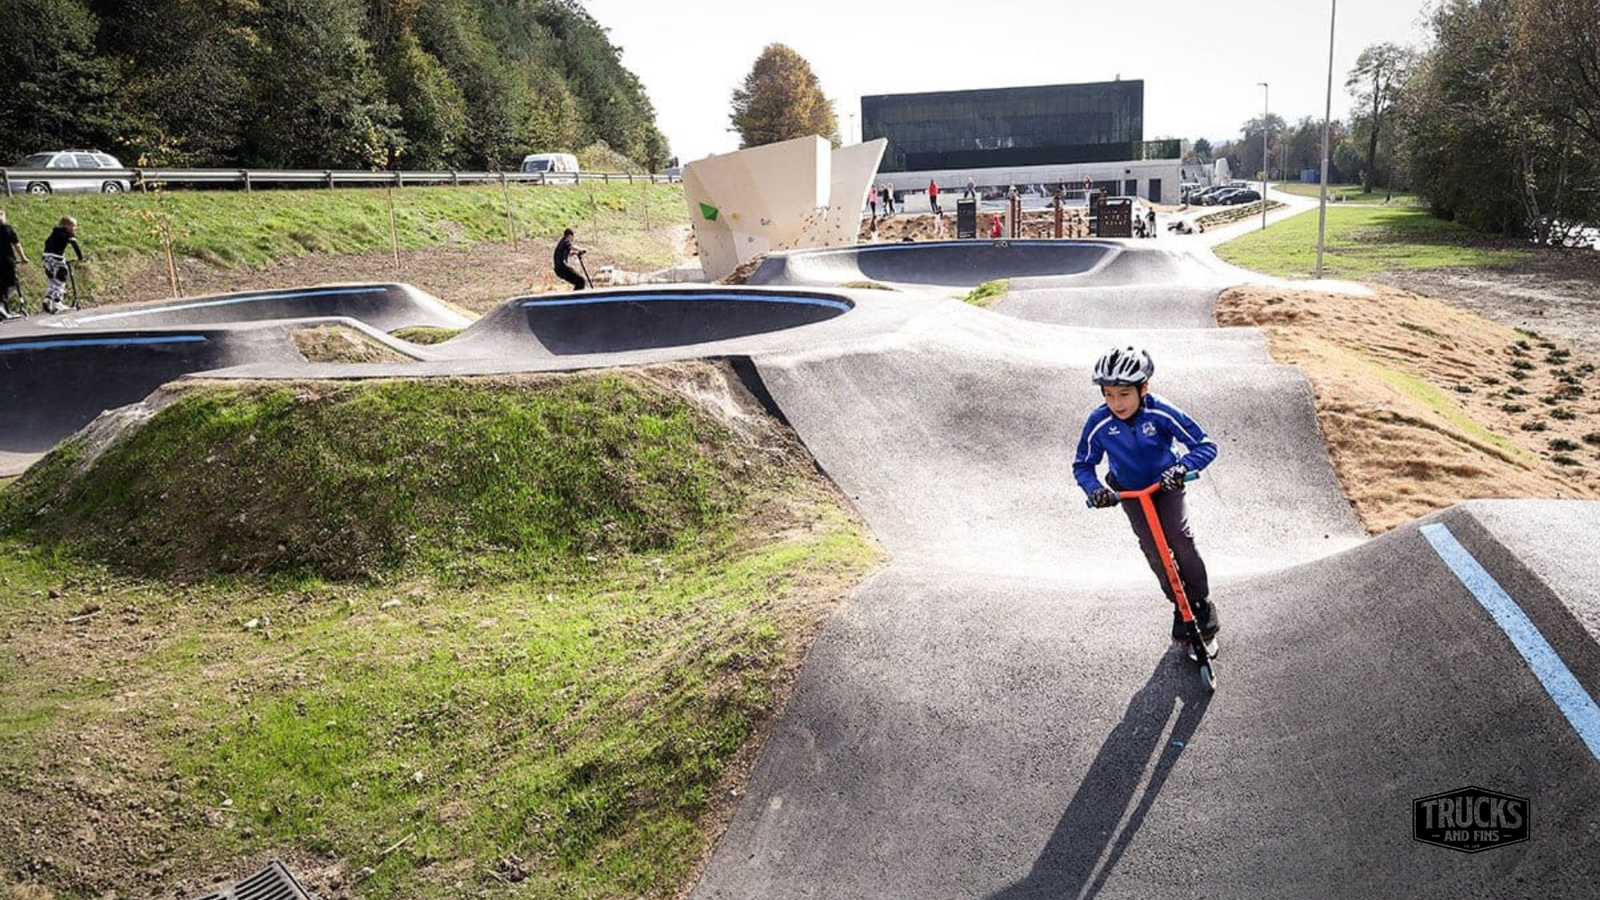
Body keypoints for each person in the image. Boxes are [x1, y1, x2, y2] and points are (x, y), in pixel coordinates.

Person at [1074, 345, 1221, 658]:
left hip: (1165, 484)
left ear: (1144, 388)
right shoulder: (1099, 422)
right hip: (1129, 491)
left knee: (1179, 539)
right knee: (1153, 549)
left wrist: (1183, 468)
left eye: (1124, 394)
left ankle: (1200, 602)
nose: (1117, 403)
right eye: (1109, 395)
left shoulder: (1161, 411)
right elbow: (1083, 464)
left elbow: (1205, 446)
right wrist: (1095, 490)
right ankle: (1180, 607)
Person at [41, 216, 83, 314]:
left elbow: (46, 242)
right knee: (61, 278)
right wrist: (81, 258)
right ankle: (57, 302)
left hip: (47, 258)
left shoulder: (54, 232)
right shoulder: (67, 233)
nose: (75, 228)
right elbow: (74, 244)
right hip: (56, 258)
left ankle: (48, 298)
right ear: (67, 225)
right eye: (73, 226)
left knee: (53, 279)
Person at [1, 210, 27, 318]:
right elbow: (16, 244)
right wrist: (23, 257)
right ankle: (1, 306)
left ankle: (5, 309)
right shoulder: (7, 229)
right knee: (10, 284)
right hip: (6, 260)